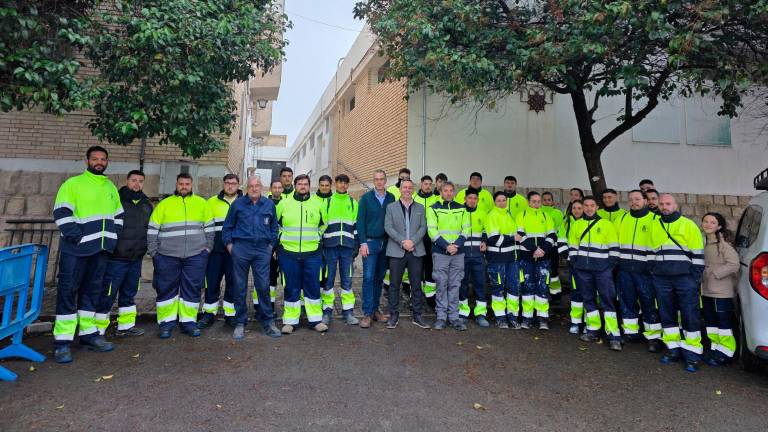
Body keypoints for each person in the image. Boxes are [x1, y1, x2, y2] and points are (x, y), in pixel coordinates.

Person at [52, 146, 123, 363]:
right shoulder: (72, 184)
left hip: (101, 250)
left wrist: (112, 237)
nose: (99, 162)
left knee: (92, 292)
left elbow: (118, 216)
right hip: (76, 250)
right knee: (68, 292)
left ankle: (88, 335)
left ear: (107, 162)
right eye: (95, 159)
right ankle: (62, 343)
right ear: (87, 161)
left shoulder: (110, 186)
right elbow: (61, 213)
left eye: (103, 159)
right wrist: (77, 237)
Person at [148, 173, 214, 339]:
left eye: (187, 184)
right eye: (181, 184)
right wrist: (154, 252)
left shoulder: (201, 203)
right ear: (176, 185)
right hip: (166, 255)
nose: (184, 187)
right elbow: (152, 230)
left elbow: (210, 229)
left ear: (192, 185)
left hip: (196, 255)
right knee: (166, 289)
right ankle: (166, 323)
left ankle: (188, 322)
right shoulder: (164, 204)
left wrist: (207, 249)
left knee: (192, 289)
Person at [649, 194, 705, 372]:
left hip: (684, 278)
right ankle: (673, 349)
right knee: (666, 313)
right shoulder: (654, 224)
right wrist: (654, 271)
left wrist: (694, 278)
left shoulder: (688, 225)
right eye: (662, 204)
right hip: (661, 278)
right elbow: (651, 251)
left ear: (676, 205)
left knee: (690, 314)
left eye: (668, 203)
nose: (664, 206)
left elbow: (697, 253)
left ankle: (692, 355)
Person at [223, 176, 280, 340]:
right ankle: (240, 322)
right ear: (246, 188)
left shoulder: (268, 204)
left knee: (263, 285)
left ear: (262, 187)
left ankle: (267, 321)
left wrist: (270, 247)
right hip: (241, 249)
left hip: (262, 250)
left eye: (257, 186)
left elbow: (274, 228)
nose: (254, 188)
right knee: (239, 286)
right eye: (251, 186)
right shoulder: (238, 204)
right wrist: (230, 247)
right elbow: (227, 227)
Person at [97, 170, 152, 338]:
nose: (137, 184)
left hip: (136, 258)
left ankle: (126, 326)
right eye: (133, 180)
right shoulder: (116, 200)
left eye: (140, 181)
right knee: (108, 293)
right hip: (116, 258)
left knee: (129, 293)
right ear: (127, 180)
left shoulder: (146, 204)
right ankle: (98, 329)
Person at [276, 174, 328, 334]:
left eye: (305, 184)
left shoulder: (317, 204)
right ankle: (290, 322)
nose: (303, 186)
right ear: (295, 185)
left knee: (312, 287)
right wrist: (281, 240)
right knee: (291, 287)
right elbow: (275, 225)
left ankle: (316, 320)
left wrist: (317, 238)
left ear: (309, 186)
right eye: (300, 184)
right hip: (288, 253)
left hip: (312, 253)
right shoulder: (284, 203)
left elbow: (324, 224)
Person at [568, 196, 622, 351]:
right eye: (586, 205)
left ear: (597, 207)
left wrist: (608, 267)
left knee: (608, 301)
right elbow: (572, 246)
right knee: (589, 300)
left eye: (592, 205)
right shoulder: (577, 224)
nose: (589, 208)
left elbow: (614, 248)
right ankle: (593, 330)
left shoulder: (606, 224)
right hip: (583, 270)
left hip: (602, 270)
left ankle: (613, 335)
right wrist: (577, 263)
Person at [615, 190, 663, 353]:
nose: (634, 202)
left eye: (637, 199)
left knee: (649, 303)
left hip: (646, 272)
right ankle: (631, 332)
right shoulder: (622, 218)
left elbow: (660, 246)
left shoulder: (655, 219)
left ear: (645, 200)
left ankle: (653, 337)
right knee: (627, 301)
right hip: (625, 270)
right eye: (631, 200)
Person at [384, 178, 430, 329]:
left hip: (416, 251)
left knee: (416, 285)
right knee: (394, 285)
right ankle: (393, 315)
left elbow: (423, 227)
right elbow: (388, 227)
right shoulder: (391, 207)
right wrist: (403, 242)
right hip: (397, 250)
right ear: (400, 189)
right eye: (405, 187)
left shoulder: (420, 208)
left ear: (413, 190)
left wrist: (412, 242)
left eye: (410, 188)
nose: (407, 190)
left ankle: (417, 315)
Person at [198, 174, 242, 329]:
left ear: (238, 185)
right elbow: (204, 225)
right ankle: (209, 313)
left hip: (236, 251)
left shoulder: (244, 202)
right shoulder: (211, 202)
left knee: (233, 282)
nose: (230, 186)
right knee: (212, 282)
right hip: (215, 250)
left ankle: (230, 314)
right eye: (227, 183)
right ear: (223, 184)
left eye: (233, 183)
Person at [428, 181, 469, 331]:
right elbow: (432, 231)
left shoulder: (462, 209)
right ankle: (441, 317)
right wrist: (447, 246)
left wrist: (455, 245)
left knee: (455, 284)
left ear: (455, 193)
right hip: (441, 252)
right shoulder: (433, 208)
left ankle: (454, 317)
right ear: (441, 192)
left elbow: (466, 229)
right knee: (441, 284)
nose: (449, 193)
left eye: (451, 190)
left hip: (457, 253)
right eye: (445, 190)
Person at [357, 170, 396, 328]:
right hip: (370, 243)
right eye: (376, 179)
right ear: (373, 181)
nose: (379, 182)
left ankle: (375, 311)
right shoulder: (366, 199)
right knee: (368, 277)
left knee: (379, 279)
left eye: (381, 179)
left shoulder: (391, 198)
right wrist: (363, 242)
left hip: (385, 243)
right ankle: (367, 313)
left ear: (385, 180)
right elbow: (360, 222)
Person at [700, 212, 740, 366]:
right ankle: (715, 349)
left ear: (719, 226)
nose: (708, 224)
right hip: (707, 290)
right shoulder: (703, 242)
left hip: (721, 292)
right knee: (711, 322)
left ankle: (727, 352)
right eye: (705, 221)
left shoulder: (723, 245)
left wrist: (715, 273)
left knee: (723, 323)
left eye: (712, 222)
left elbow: (734, 264)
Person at [320, 174, 360, 326]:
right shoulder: (328, 202)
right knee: (328, 280)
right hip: (330, 247)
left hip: (347, 248)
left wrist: (355, 245)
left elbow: (356, 226)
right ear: (335, 184)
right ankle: (327, 311)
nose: (343, 185)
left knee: (347, 280)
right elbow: (322, 225)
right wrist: (322, 245)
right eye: (340, 182)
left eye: (345, 183)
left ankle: (348, 312)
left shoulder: (352, 202)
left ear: (348, 185)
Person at [516, 192, 557, 330]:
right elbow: (520, 234)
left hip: (543, 258)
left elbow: (552, 235)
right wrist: (534, 249)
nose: (536, 203)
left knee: (543, 286)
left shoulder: (546, 216)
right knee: (528, 286)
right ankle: (527, 317)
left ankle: (542, 318)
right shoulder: (521, 215)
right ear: (528, 202)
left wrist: (543, 250)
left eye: (538, 201)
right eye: (533, 201)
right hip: (526, 257)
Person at [485, 192, 520, 329]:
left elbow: (512, 236)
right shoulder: (491, 216)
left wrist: (509, 238)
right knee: (498, 288)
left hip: (512, 258)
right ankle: (500, 317)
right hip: (497, 259)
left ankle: (513, 316)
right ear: (494, 202)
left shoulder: (509, 215)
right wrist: (512, 238)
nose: (502, 202)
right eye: (499, 200)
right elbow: (494, 240)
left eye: (504, 200)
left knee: (513, 287)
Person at [459, 190, 489, 327]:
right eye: (470, 198)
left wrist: (484, 241)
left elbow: (486, 230)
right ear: (465, 199)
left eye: (475, 198)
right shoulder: (460, 212)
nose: (472, 200)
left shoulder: (483, 214)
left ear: (478, 200)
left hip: (478, 255)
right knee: (462, 283)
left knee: (480, 284)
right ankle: (462, 313)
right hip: (462, 254)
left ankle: (480, 314)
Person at [558, 199, 584, 334]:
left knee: (589, 293)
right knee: (576, 292)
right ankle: (576, 322)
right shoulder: (567, 223)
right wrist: (569, 257)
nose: (577, 210)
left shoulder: (589, 222)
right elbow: (561, 240)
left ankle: (588, 322)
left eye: (580, 208)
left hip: (589, 264)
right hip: (574, 264)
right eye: (574, 208)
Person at [414, 175, 440, 301]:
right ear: (421, 184)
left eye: (430, 184)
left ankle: (430, 297)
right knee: (417, 268)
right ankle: (416, 297)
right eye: (426, 184)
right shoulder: (414, 198)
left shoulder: (437, 199)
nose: (428, 186)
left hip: (431, 240)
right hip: (417, 240)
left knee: (430, 268)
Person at [541, 191, 564, 297]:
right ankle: (543, 292)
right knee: (542, 270)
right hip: (540, 247)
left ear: (552, 201)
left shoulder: (558, 213)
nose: (546, 202)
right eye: (544, 200)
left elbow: (560, 229)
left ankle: (555, 294)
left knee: (553, 271)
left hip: (553, 247)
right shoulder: (538, 212)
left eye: (549, 200)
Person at [315, 174, 334, 303]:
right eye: (322, 185)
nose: (324, 188)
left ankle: (326, 303)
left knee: (327, 274)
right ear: (319, 186)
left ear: (330, 186)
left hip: (331, 242)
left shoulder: (335, 200)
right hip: (315, 243)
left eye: (327, 185)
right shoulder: (312, 200)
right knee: (315, 273)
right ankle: (314, 299)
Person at [266, 179, 284, 309]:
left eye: (279, 187)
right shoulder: (265, 203)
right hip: (269, 247)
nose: (277, 190)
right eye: (275, 187)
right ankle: (269, 305)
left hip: (284, 247)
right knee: (270, 277)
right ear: (271, 189)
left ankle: (291, 306)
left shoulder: (287, 203)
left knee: (287, 278)